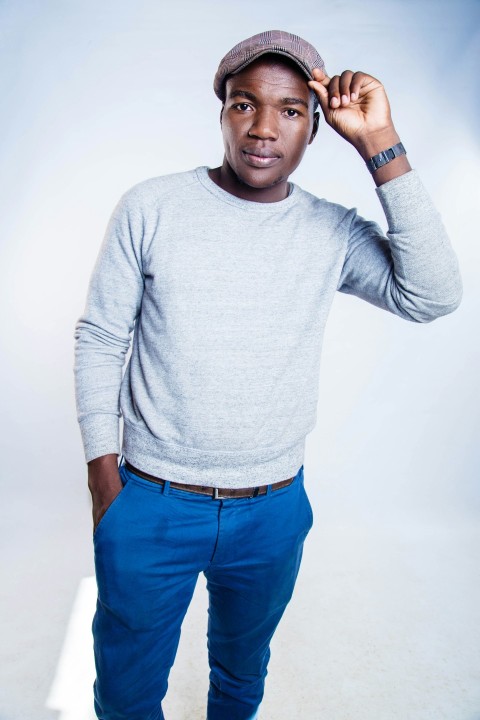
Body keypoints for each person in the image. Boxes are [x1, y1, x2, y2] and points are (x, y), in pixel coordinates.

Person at [74, 29, 462, 720]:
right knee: (126, 696)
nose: (263, 128)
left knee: (240, 681)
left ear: (315, 125)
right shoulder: (152, 206)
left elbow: (432, 295)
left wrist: (380, 144)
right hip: (153, 502)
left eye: (290, 110)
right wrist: (106, 479)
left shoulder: (330, 231)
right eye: (244, 104)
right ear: (222, 111)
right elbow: (102, 337)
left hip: (272, 510)